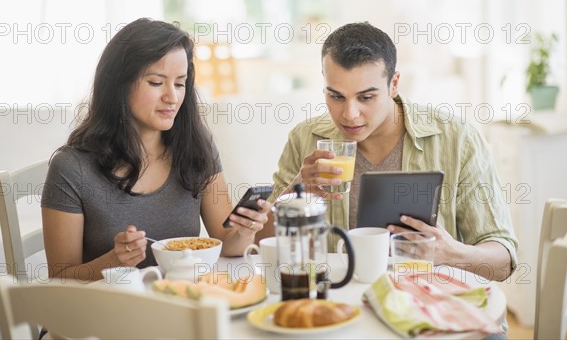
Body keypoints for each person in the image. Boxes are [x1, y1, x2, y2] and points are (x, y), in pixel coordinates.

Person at [257, 22, 517, 282]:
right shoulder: (305, 138)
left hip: (424, 305)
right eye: (336, 97)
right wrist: (292, 195)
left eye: (366, 97)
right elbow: (261, 243)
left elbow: (503, 262)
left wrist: (451, 254)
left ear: (394, 84)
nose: (350, 114)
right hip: (337, 304)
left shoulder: (458, 138)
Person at [42, 18, 269, 281]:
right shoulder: (72, 167)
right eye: (156, 82)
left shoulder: (196, 147)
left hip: (176, 304)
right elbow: (60, 278)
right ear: (119, 84)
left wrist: (244, 230)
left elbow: (227, 244)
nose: (172, 97)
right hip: (102, 314)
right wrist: (113, 262)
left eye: (180, 83)